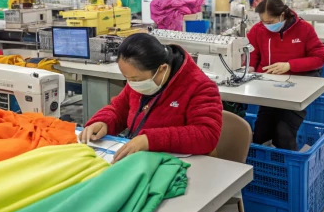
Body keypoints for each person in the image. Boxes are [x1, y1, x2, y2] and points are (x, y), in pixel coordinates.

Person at [79, 33, 223, 162]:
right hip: (144, 160)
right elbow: (119, 109)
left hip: (186, 167)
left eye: (135, 79)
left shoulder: (199, 86)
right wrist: (103, 122)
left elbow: (207, 135)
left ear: (162, 69)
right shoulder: (140, 80)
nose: (131, 84)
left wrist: (149, 140)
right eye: (127, 78)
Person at [246, 0, 324, 150]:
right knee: (260, 134)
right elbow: (252, 54)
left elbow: (320, 57)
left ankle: (286, 169)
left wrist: (290, 65)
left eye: (269, 22)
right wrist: (248, 68)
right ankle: (266, 166)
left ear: (282, 15)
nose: (266, 25)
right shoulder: (259, 29)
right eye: (263, 21)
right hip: (268, 88)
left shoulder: (304, 29)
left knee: (283, 134)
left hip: (296, 88)